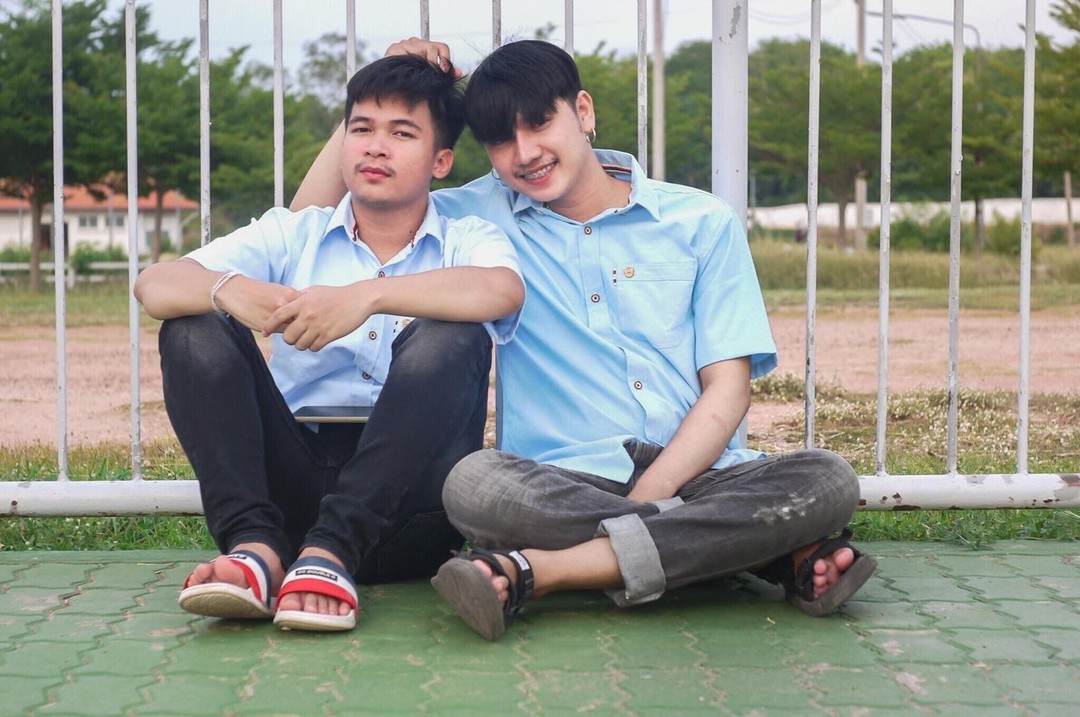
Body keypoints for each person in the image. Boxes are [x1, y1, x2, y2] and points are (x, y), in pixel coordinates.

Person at [293, 39, 875, 642]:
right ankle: (766, 551)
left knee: (828, 478)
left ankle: (542, 571)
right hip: (562, 480)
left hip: (703, 471)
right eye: (501, 140)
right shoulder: (476, 219)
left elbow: (727, 391)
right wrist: (373, 97)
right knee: (471, 487)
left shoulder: (702, 221)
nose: (525, 154)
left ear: (584, 111)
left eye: (539, 124)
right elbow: (306, 220)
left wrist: (653, 495)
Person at [134, 54, 524, 633]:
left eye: (402, 134)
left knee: (454, 334)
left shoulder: (467, 239)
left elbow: (501, 290)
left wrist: (365, 298)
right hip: (290, 499)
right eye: (361, 129)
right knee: (193, 325)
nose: (376, 147)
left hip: (410, 507)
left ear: (441, 160)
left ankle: (333, 550)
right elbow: (154, 283)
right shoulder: (296, 233)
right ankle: (255, 550)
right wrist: (231, 290)